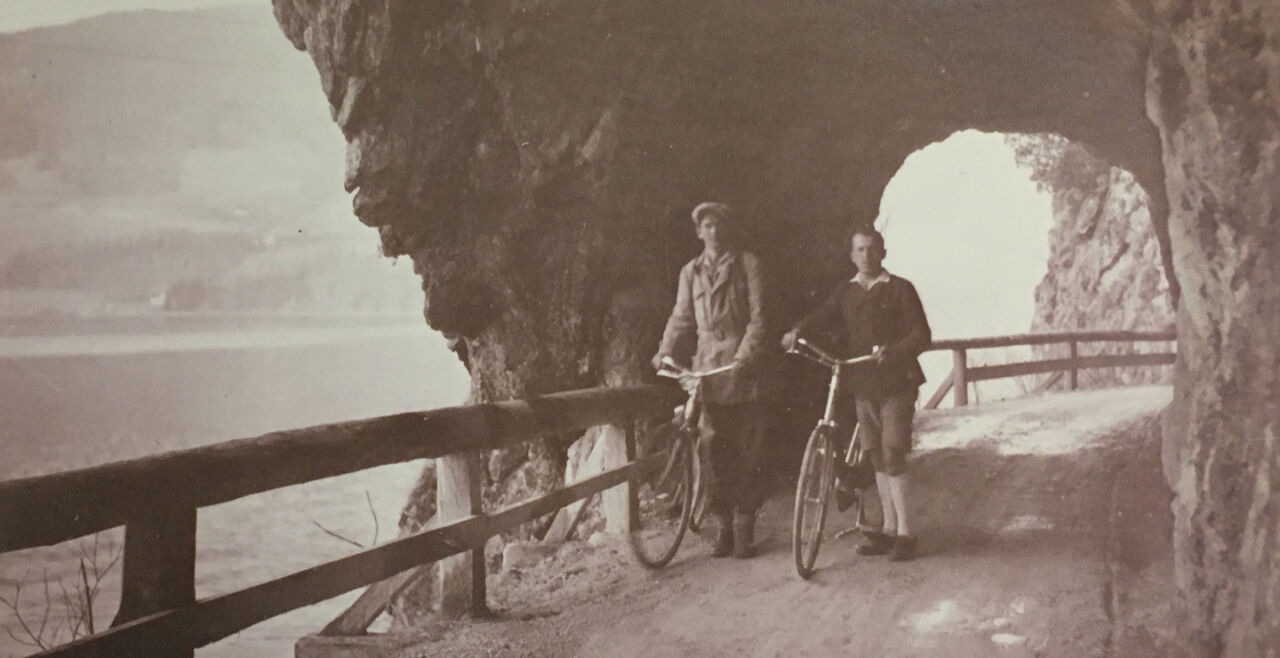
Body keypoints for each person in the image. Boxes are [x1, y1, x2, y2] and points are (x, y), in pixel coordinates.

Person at [781, 227, 931, 561]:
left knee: (893, 451)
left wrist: (894, 350)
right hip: (863, 383)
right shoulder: (846, 292)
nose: (866, 256)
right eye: (860, 250)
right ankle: (889, 530)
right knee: (876, 454)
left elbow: (922, 335)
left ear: (883, 252)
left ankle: (907, 533)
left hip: (896, 383)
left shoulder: (900, 289)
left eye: (872, 249)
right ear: (851, 255)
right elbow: (821, 317)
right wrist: (797, 331)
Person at [653, 201, 768, 558]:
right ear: (698, 232)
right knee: (712, 447)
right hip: (706, 367)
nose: (714, 232)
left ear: (727, 229)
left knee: (748, 447)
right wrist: (664, 351)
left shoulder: (748, 264)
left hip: (740, 368)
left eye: (719, 225)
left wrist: (745, 356)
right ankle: (723, 523)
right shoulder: (690, 272)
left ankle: (745, 522)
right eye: (707, 226)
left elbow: (759, 318)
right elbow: (681, 316)